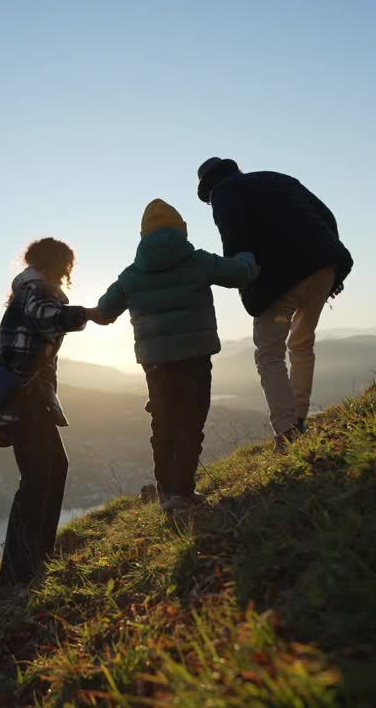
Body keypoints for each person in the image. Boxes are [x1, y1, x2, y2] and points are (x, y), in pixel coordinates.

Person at [94, 199, 257, 515]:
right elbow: (241, 272)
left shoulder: (131, 275)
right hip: (195, 358)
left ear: (143, 237)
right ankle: (181, 494)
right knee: (190, 424)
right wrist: (248, 254)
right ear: (181, 231)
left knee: (163, 424)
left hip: (155, 364)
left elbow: (104, 311)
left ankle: (167, 492)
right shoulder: (197, 262)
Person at [196, 157, 354, 451]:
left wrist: (243, 272)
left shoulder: (223, 192)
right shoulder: (277, 177)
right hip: (323, 266)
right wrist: (332, 267)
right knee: (302, 343)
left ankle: (287, 430)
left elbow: (234, 235)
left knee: (269, 353)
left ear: (209, 187)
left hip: (279, 279)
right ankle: (299, 417)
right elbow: (326, 215)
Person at [0, 238, 106, 586]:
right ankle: (19, 572)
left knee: (52, 471)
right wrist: (87, 314)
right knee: (37, 479)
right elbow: (48, 319)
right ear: (60, 265)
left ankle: (36, 558)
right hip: (27, 399)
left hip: (31, 398)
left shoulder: (28, 289)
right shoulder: (36, 290)